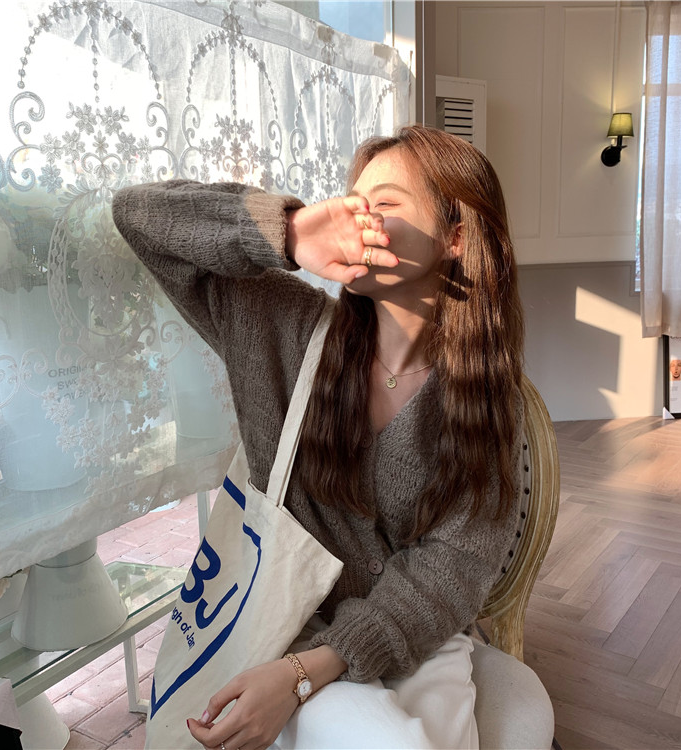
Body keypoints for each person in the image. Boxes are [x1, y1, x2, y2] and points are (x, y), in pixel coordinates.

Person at [112, 125, 525, 750]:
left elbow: (451, 570)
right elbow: (139, 215)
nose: (357, 218)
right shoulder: (283, 326)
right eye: (352, 202)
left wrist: (306, 674)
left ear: (456, 238)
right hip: (279, 619)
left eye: (384, 204)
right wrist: (289, 231)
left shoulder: (486, 397)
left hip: (411, 635)